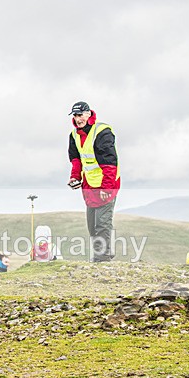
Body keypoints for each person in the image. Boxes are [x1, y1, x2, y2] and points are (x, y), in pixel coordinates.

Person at [66, 101, 120, 262]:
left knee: (102, 223)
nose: (78, 119)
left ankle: (102, 258)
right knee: (92, 225)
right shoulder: (74, 135)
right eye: (75, 116)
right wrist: (75, 177)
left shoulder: (102, 132)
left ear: (89, 113)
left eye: (80, 115)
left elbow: (110, 163)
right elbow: (76, 160)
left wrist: (107, 187)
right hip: (89, 186)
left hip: (106, 184)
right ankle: (101, 255)